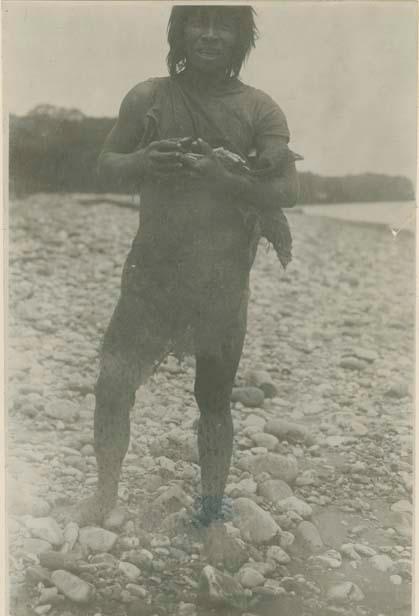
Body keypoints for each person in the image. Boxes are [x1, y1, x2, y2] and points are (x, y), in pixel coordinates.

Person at [70, 4, 299, 527]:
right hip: (152, 271)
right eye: (199, 21)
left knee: (213, 397)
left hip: (222, 279)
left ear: (243, 38)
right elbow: (106, 164)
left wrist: (226, 178)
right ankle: (105, 494)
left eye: (225, 25)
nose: (211, 34)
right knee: (113, 383)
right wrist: (144, 161)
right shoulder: (149, 97)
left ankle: (212, 511)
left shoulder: (260, 109)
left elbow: (286, 187)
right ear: (179, 31)